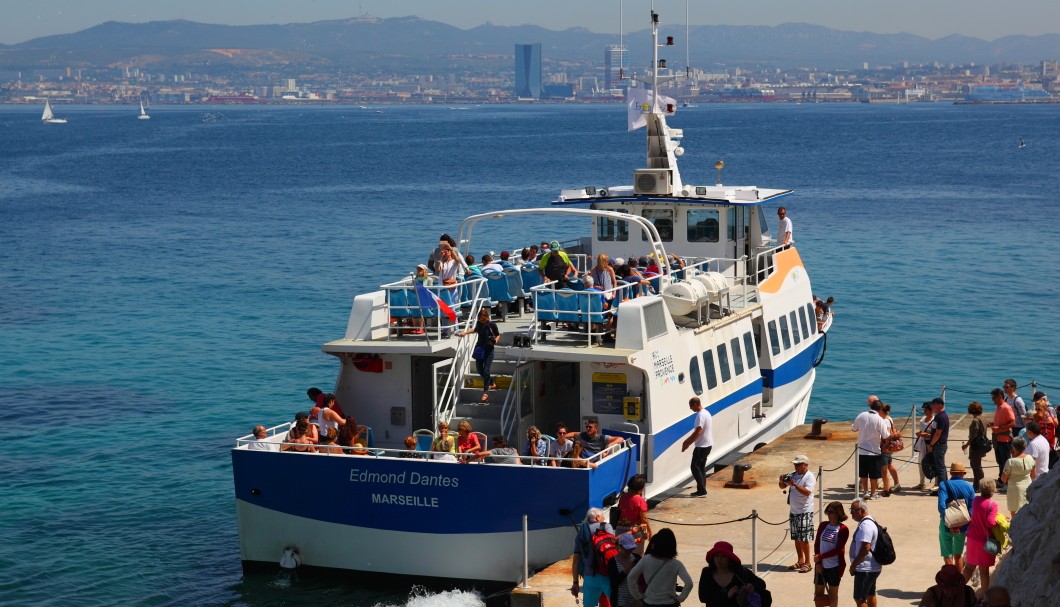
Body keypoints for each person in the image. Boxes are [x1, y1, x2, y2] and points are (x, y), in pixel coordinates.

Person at [627, 528, 693, 607]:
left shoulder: (646, 559)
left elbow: (630, 578)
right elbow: (689, 583)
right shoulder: (676, 564)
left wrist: (637, 596)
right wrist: (680, 599)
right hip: (669, 603)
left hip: (649, 602)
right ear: (673, 546)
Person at [697, 540, 768, 607]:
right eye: (717, 556)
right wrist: (726, 595)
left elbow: (761, 584)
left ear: (729, 559)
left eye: (723, 556)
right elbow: (703, 597)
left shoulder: (740, 572)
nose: (719, 559)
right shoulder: (707, 573)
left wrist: (753, 586)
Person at [961, 480, 999, 598]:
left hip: (972, 538)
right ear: (992, 491)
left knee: (969, 567)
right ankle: (983, 595)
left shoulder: (976, 500)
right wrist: (998, 522)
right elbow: (989, 522)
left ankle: (957, 589)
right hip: (984, 540)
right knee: (984, 569)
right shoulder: (992, 505)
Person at [780, 454, 816, 572]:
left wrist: (794, 484)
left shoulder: (810, 477)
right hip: (794, 511)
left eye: (798, 464)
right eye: (795, 464)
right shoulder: (793, 475)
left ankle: (808, 563)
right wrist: (782, 480)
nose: (796, 467)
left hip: (805, 511)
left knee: (804, 538)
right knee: (796, 537)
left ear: (805, 465)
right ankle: (800, 561)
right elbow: (782, 486)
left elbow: (807, 492)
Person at [571, 508, 614, 607]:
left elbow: (576, 561)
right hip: (607, 574)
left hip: (589, 576)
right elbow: (612, 547)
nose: (604, 518)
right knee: (615, 602)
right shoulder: (606, 527)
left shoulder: (581, 533)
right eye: (603, 516)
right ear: (598, 517)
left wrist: (575, 582)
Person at [936, 463, 975, 571]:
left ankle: (949, 583)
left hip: (946, 524)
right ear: (962, 473)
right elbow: (971, 508)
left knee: (947, 555)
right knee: (958, 555)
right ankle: (959, 583)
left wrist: (949, 524)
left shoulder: (944, 485)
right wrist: (963, 523)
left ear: (951, 472)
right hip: (963, 525)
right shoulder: (969, 487)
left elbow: (941, 506)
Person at [458, 308, 500, 402]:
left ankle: (485, 392)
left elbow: (497, 335)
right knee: (479, 369)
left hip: (489, 350)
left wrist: (495, 341)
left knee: (486, 370)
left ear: (486, 317)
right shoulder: (479, 323)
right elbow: (475, 330)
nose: (481, 320)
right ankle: (492, 382)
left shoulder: (492, 325)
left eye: (482, 318)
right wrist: (465, 332)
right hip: (480, 349)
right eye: (480, 318)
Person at [851, 397, 889, 499]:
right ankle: (873, 493)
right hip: (874, 451)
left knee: (863, 473)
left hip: (862, 449)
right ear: (880, 409)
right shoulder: (880, 419)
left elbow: (853, 428)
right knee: (873, 474)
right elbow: (885, 435)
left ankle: (865, 492)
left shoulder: (861, 415)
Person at [813, 501, 850, 607]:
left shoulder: (843, 529)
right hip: (820, 565)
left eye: (831, 512)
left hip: (834, 567)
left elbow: (838, 549)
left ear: (838, 514)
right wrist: (818, 561)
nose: (828, 515)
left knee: (833, 595)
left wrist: (820, 556)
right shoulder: (823, 525)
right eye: (827, 512)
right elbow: (817, 544)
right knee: (818, 595)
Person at [848, 498, 883, 607]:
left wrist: (854, 565)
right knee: (870, 594)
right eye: (851, 510)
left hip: (865, 569)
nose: (851, 513)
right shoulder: (869, 521)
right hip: (871, 568)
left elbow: (865, 548)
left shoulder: (865, 526)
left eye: (853, 510)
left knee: (859, 599)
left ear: (862, 511)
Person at [681, 397, 714, 497]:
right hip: (708, 445)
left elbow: (698, 431)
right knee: (701, 467)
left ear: (695, 404)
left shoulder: (700, 415)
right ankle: (702, 489)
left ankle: (702, 490)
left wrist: (687, 442)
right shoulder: (706, 413)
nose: (690, 408)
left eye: (691, 406)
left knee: (695, 467)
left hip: (702, 446)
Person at [999, 437, 1036, 518]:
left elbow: (1003, 479)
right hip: (1027, 486)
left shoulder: (1010, 461)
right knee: (1027, 511)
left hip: (1014, 489)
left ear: (1014, 448)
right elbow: (1033, 475)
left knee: (1014, 512)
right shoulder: (1030, 458)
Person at [988, 388, 1016, 489]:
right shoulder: (999, 407)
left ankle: (1007, 481)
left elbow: (1012, 423)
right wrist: (993, 424)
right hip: (998, 439)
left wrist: (999, 428)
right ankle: (1001, 479)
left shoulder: (1006, 408)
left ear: (1000, 397)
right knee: (1000, 461)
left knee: (1005, 461)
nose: (993, 400)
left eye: (994, 398)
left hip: (1005, 440)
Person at [616, 474, 651, 550]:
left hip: (620, 530)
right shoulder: (640, 501)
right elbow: (643, 520)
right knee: (636, 557)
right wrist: (648, 533)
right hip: (635, 531)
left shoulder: (623, 497)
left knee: (621, 555)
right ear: (641, 488)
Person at [607, 533, 642, 607]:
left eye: (631, 549)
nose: (629, 551)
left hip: (636, 601)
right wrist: (625, 570)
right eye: (627, 549)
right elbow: (614, 582)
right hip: (620, 602)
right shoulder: (612, 562)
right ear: (619, 546)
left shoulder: (637, 558)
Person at [961, 401, 988, 491]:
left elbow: (974, 434)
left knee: (975, 465)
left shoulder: (975, 420)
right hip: (982, 444)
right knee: (977, 464)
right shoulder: (983, 418)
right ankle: (976, 485)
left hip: (976, 446)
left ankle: (980, 485)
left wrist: (967, 445)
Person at [927, 398, 951, 492]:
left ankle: (943, 488)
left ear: (940, 405)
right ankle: (945, 485)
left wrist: (932, 444)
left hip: (939, 444)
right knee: (941, 466)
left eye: (934, 404)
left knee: (940, 467)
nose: (932, 406)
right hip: (938, 444)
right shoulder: (938, 416)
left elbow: (938, 433)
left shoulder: (942, 417)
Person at [878, 403, 902, 496]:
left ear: (881, 411)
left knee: (883, 468)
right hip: (890, 447)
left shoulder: (885, 421)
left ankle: (886, 489)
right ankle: (897, 483)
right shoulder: (889, 418)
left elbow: (886, 435)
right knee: (889, 464)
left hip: (885, 447)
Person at [914, 402, 936, 490]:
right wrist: (919, 434)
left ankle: (936, 483)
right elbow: (921, 430)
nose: (924, 411)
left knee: (933, 463)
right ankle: (921, 483)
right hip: (923, 444)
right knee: (920, 463)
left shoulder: (934, 421)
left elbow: (934, 434)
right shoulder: (923, 419)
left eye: (926, 410)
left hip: (931, 444)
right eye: (924, 410)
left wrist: (925, 435)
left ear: (931, 410)